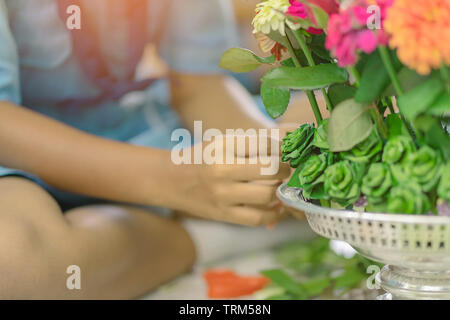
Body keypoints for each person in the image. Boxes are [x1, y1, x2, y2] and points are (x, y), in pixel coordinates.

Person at [0, 0, 291, 298]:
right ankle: (201, 236)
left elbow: (198, 85)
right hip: (19, 159)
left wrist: (268, 158)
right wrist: (172, 180)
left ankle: (123, 241)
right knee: (12, 266)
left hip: (137, 130)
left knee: (312, 126)